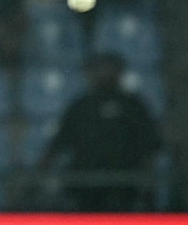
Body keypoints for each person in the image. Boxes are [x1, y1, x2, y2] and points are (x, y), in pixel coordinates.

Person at [40, 52, 162, 212]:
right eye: (101, 69)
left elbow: (150, 148)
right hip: (85, 188)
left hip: (124, 187)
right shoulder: (80, 106)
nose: (105, 73)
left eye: (110, 69)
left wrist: (147, 187)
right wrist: (37, 179)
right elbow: (57, 146)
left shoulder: (134, 106)